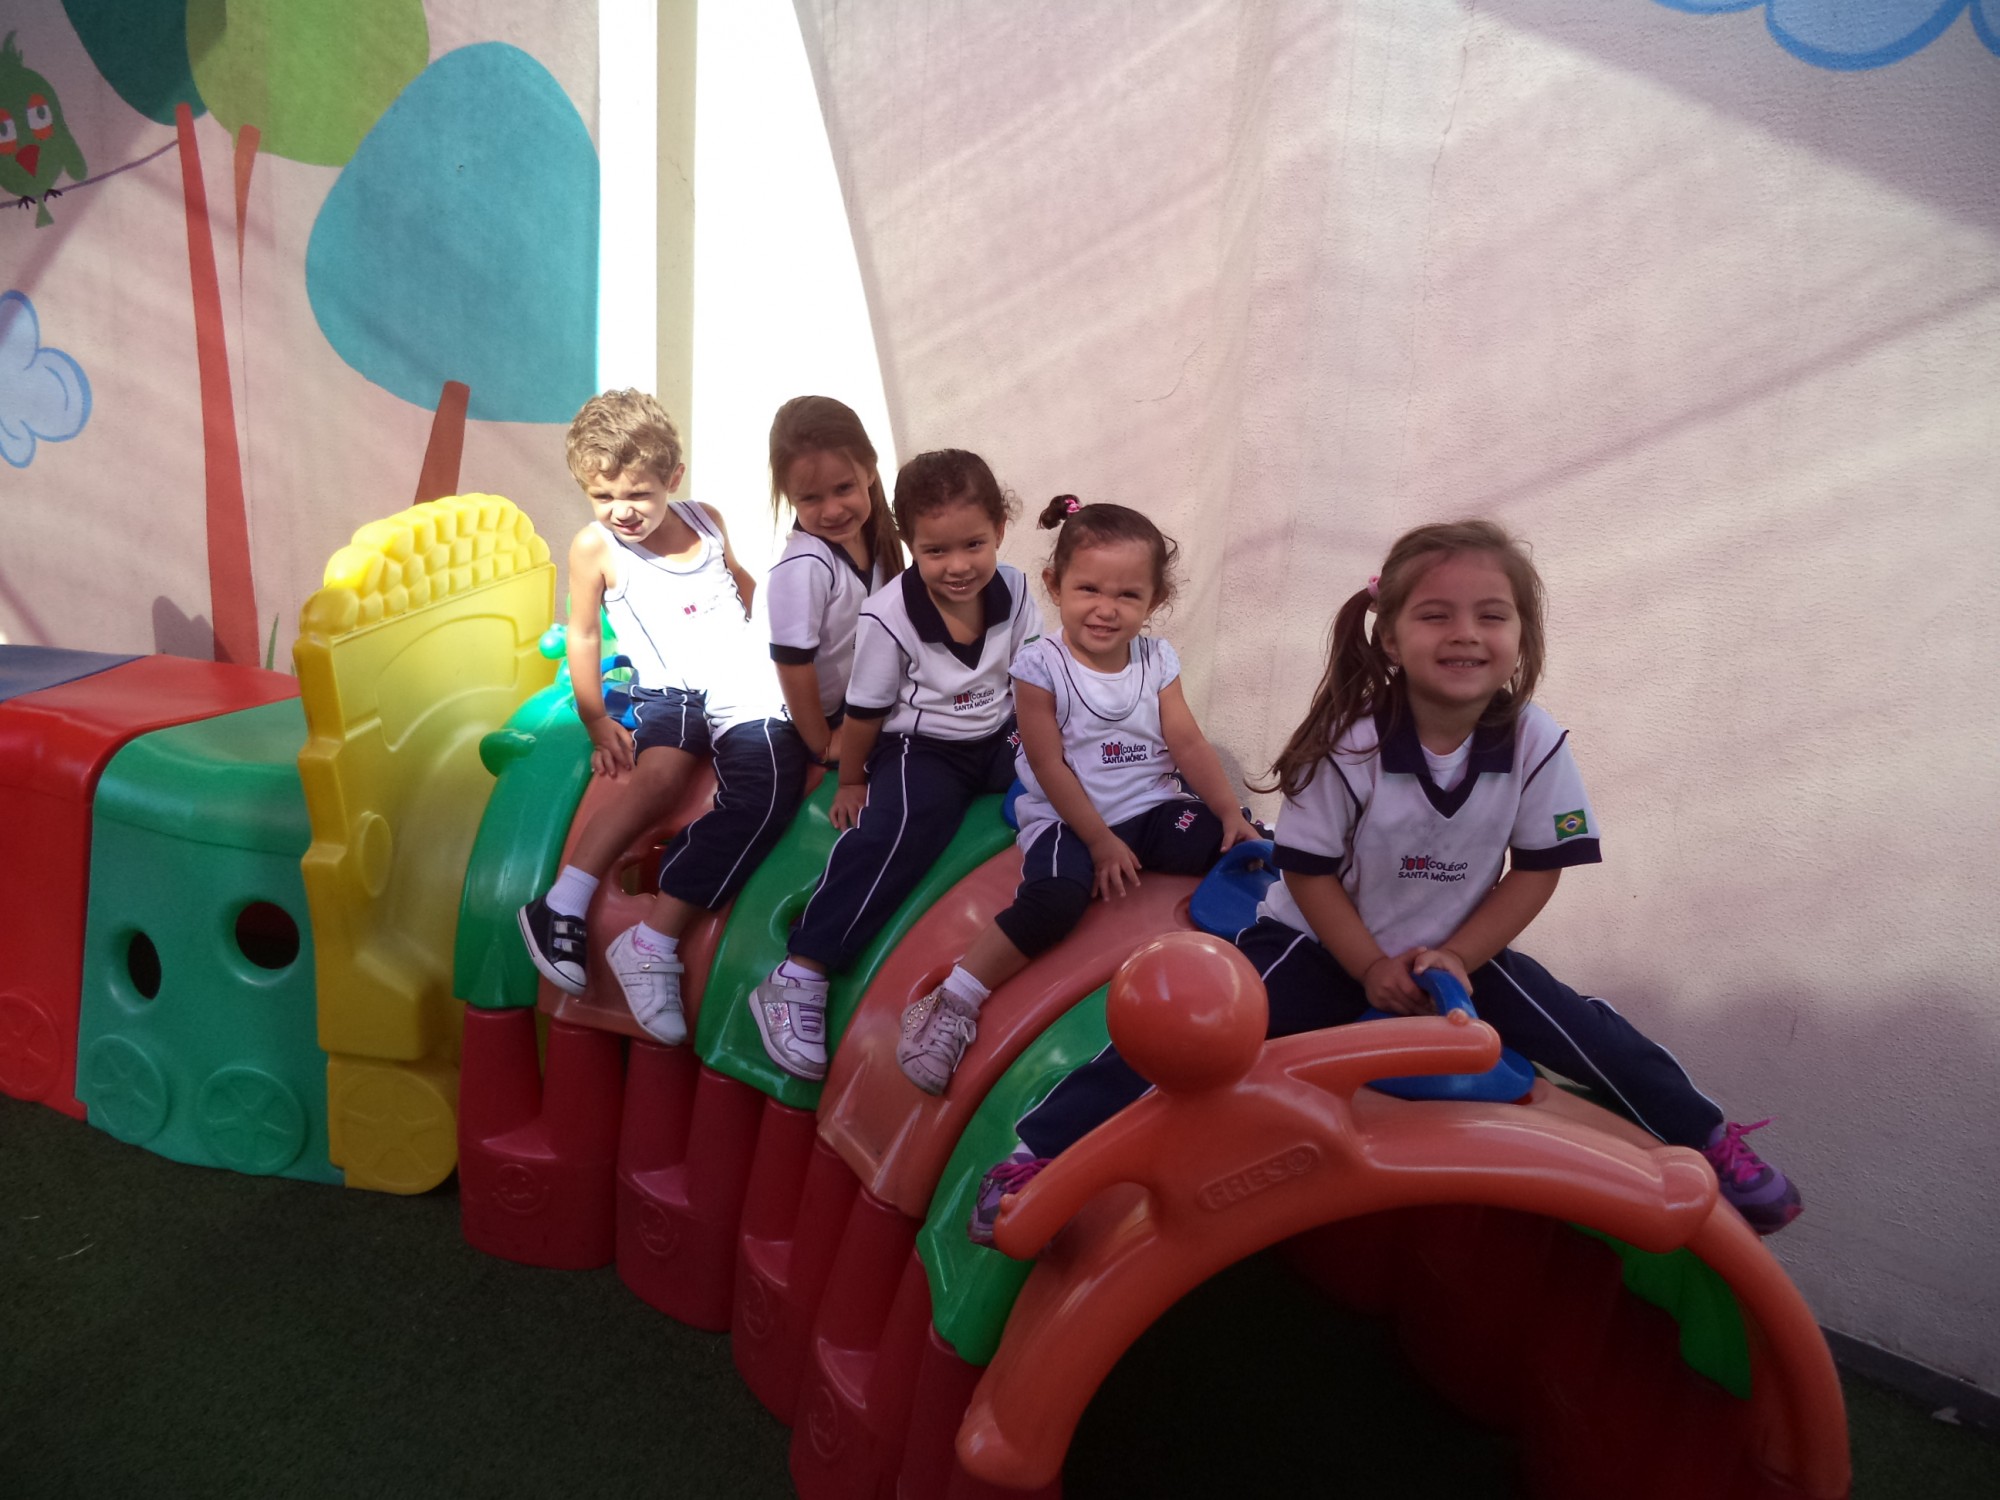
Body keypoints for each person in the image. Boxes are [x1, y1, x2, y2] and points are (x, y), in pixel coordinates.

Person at [969, 518, 1800, 1244]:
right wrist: (1367, 964)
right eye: (1436, 614)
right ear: (1392, 638)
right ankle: (1037, 1150)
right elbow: (1309, 870)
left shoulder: (1534, 741)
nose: (1465, 633)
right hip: (1316, 942)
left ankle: (1710, 1139)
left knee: (1587, 1030)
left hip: (1454, 951)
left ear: (1521, 635)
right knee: (1191, 1032)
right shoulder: (1353, 740)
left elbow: (1538, 869)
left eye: (1491, 615)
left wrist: (1461, 956)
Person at [895, 497, 1260, 1094]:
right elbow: (1048, 764)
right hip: (1069, 818)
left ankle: (1287, 935)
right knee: (1056, 898)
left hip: (1150, 807)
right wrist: (1099, 841)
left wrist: (1226, 812)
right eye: (1088, 589)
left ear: (1155, 601)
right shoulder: (1040, 666)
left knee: (1234, 844)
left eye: (1128, 595)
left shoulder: (1156, 659)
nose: (1106, 609)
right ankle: (955, 999)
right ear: (1054, 584)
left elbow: (1188, 742)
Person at [516, 389, 804, 1045]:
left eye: (638, 494)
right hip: (671, 694)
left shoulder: (705, 520)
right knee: (661, 778)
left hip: (741, 686)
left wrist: (778, 646)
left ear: (673, 478)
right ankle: (560, 905)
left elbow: (741, 584)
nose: (621, 510)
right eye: (602, 496)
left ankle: (653, 934)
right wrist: (595, 718)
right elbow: (584, 633)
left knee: (775, 779)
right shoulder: (597, 548)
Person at [746, 449, 1041, 1081]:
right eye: (936, 551)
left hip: (997, 732)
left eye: (974, 545)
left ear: (1000, 531)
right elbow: (865, 712)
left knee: (1072, 769)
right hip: (923, 747)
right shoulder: (888, 614)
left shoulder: (1015, 589)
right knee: (900, 830)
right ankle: (800, 972)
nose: (957, 566)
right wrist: (852, 778)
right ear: (909, 543)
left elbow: (1033, 677)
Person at [762, 396, 906, 770]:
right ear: (788, 495)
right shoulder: (804, 565)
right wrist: (823, 744)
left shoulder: (879, 533)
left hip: (869, 701)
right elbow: (792, 664)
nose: (832, 510)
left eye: (843, 488)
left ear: (869, 470)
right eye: (810, 498)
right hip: (828, 721)